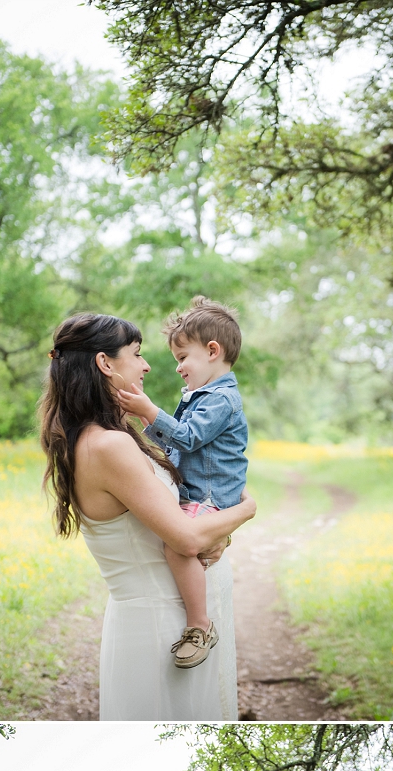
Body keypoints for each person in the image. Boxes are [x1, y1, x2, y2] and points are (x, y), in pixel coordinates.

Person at [39, 312, 257, 720]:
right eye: (137, 354)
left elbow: (173, 517)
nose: (147, 365)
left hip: (168, 618)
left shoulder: (102, 435)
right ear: (105, 363)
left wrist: (218, 533)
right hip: (163, 627)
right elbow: (186, 539)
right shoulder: (108, 446)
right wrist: (246, 510)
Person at [111, 296, 252, 670]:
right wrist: (146, 419)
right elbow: (174, 442)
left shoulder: (221, 400)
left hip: (206, 495)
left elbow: (187, 437)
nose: (177, 369)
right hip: (197, 491)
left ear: (212, 351)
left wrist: (149, 410)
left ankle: (199, 625)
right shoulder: (199, 396)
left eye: (181, 358)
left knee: (178, 546)